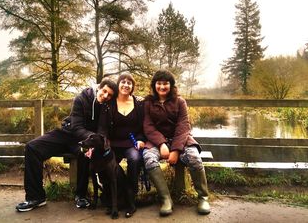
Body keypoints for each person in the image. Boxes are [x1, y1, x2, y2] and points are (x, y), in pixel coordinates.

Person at [15, 79, 118, 212]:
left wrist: (92, 144)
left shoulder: (107, 106)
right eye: (104, 91)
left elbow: (102, 130)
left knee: (84, 153)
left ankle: (81, 195)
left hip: (84, 142)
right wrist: (91, 137)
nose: (105, 96)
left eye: (109, 95)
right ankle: (36, 197)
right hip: (67, 134)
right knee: (32, 147)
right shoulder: (81, 99)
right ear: (99, 88)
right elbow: (76, 127)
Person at [143, 69, 211, 216]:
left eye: (165, 83)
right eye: (159, 83)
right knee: (148, 158)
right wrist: (161, 144)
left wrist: (175, 150)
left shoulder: (180, 102)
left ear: (171, 85)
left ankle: (203, 197)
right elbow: (148, 126)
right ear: (154, 85)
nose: (162, 87)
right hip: (156, 141)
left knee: (194, 157)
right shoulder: (148, 102)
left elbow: (183, 126)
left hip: (180, 140)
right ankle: (166, 199)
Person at [98, 72, 145, 218]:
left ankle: (131, 199)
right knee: (106, 164)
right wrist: (104, 144)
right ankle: (113, 199)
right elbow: (102, 128)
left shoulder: (139, 104)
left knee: (135, 159)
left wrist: (141, 139)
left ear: (132, 86)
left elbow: (144, 126)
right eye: (123, 82)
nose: (126, 85)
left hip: (132, 143)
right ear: (118, 85)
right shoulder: (109, 104)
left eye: (129, 83)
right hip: (112, 145)